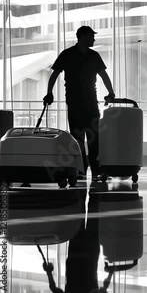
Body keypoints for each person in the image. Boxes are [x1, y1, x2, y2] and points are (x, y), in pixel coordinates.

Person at [43, 26, 115, 182]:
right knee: (78, 137)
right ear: (81, 36)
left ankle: (93, 168)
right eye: (91, 36)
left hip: (89, 101)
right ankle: (83, 167)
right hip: (76, 102)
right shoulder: (68, 54)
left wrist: (111, 92)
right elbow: (54, 74)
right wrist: (49, 92)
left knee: (92, 136)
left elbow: (104, 76)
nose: (94, 39)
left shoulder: (91, 55)